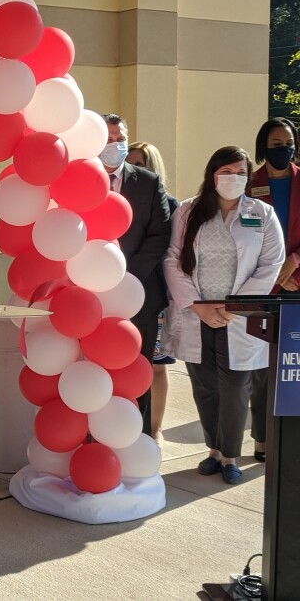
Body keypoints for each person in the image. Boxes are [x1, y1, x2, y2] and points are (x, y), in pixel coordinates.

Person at [163, 146, 284, 485]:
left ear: (248, 176)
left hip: (239, 315)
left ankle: (230, 455)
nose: (233, 179)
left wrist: (234, 307)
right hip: (196, 311)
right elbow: (173, 258)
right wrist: (198, 306)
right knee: (205, 385)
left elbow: (271, 264)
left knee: (235, 385)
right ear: (212, 174)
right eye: (226, 172)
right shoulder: (189, 211)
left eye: (240, 172)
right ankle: (214, 450)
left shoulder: (261, 213)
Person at [100, 114, 172, 436]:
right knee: (96, 372)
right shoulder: (75, 177)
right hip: (90, 298)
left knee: (137, 371)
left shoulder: (147, 181)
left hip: (139, 294)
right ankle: (97, 439)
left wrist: (126, 276)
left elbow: (160, 234)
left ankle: (138, 437)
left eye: (120, 138)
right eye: (108, 138)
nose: (115, 145)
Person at [247, 117, 300, 463]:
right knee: (262, 367)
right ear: (263, 147)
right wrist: (273, 276)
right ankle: (263, 439)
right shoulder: (250, 185)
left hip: (297, 281)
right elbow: (244, 237)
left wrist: (293, 263)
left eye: (288, 143)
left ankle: (293, 437)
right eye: (276, 144)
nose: (283, 149)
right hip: (262, 287)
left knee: (295, 362)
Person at [127, 141, 179, 447]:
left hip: (152, 293)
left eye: (141, 162)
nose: (135, 166)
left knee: (155, 365)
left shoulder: (169, 204)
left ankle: (154, 429)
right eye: (132, 161)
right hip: (120, 297)